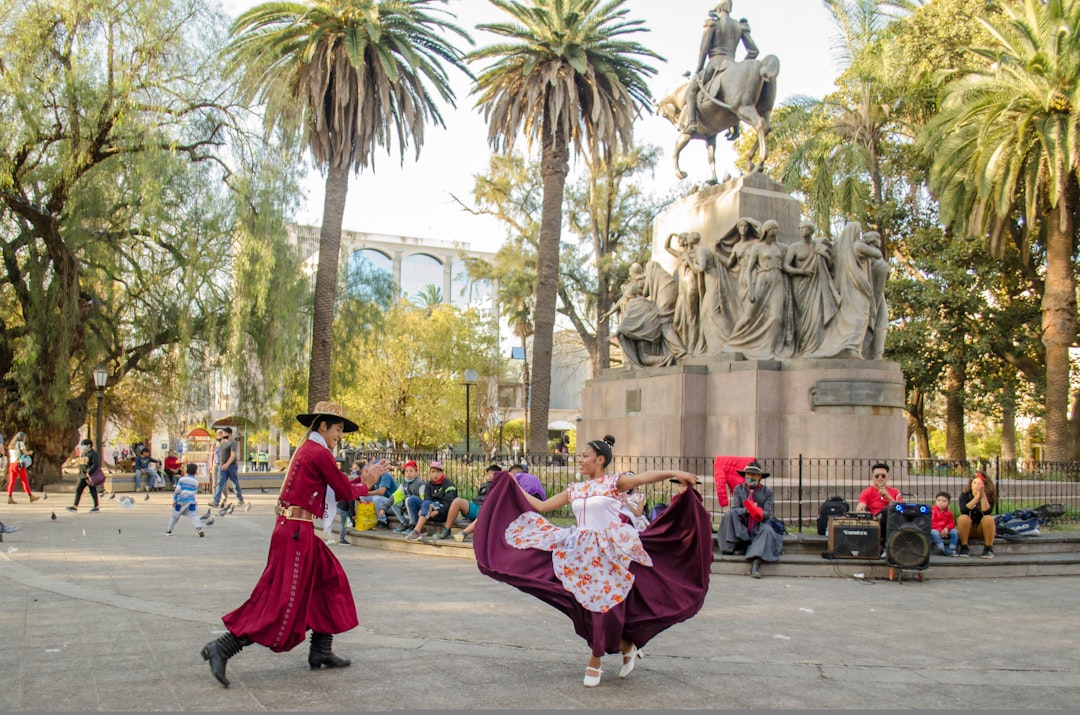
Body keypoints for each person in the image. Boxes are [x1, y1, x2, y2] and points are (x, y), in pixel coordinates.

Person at [474, 435, 712, 688]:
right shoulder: (576, 488)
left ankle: (595, 660)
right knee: (584, 607)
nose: (580, 460)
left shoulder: (614, 482)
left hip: (610, 552)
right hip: (580, 550)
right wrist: (511, 484)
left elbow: (645, 477)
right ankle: (625, 645)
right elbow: (541, 506)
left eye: (585, 456)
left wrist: (675, 472)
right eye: (579, 456)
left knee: (601, 605)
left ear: (600, 459)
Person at [201, 401, 389, 688]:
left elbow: (334, 484)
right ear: (323, 426)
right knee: (281, 601)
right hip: (296, 533)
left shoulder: (312, 450)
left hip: (295, 529)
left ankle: (321, 650)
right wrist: (367, 482)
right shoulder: (318, 452)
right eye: (338, 429)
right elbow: (342, 491)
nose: (340, 435)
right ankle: (224, 647)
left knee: (331, 579)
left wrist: (360, 481)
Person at [683, 0, 759, 135]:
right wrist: (740, 67)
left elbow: (704, 49)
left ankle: (692, 123)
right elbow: (754, 51)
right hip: (732, 64)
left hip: (714, 64)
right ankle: (735, 128)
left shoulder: (713, 23)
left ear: (718, 9)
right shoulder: (739, 26)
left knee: (690, 91)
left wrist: (698, 69)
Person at [716, 461, 782, 577]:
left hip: (759, 524)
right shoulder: (739, 489)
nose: (750, 477)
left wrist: (757, 511)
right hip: (743, 522)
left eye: (753, 475)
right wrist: (747, 510)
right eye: (748, 475)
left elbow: (768, 513)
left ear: (759, 477)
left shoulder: (767, 492)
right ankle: (738, 545)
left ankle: (756, 563)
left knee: (767, 530)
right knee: (730, 514)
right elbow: (736, 508)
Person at [438, 464, 498, 541]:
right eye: (488, 474)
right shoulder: (484, 485)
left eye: (492, 474)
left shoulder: (500, 486)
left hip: (486, 511)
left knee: (485, 511)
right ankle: (446, 529)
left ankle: (463, 533)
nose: (490, 476)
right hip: (476, 507)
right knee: (457, 501)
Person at [405, 461, 458, 541]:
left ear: (442, 473)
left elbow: (450, 504)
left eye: (438, 472)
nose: (435, 474)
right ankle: (419, 527)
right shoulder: (428, 484)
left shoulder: (449, 485)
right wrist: (422, 509)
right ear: (429, 473)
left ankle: (416, 531)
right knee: (412, 499)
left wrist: (438, 512)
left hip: (443, 513)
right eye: (433, 472)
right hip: (429, 511)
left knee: (427, 504)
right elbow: (427, 499)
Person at [854, 462, 900, 554]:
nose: (880, 478)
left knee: (887, 510)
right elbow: (859, 507)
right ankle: (885, 546)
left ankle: (888, 547)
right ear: (872, 478)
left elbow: (900, 509)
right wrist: (862, 509)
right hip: (876, 518)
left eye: (883, 475)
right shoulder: (867, 492)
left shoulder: (895, 492)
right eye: (877, 475)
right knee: (885, 511)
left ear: (888, 477)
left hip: (894, 518)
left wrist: (889, 497)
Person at [957, 472, 997, 559]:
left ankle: (988, 548)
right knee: (962, 518)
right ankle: (964, 547)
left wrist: (982, 496)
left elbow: (987, 512)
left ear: (984, 485)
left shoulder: (989, 497)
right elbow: (964, 510)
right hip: (968, 529)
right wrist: (976, 498)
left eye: (979, 483)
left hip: (981, 529)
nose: (976, 485)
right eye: (974, 483)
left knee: (988, 519)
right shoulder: (964, 496)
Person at [166, 463, 204, 537]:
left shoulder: (182, 479)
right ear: (196, 472)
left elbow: (178, 489)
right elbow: (195, 491)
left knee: (174, 516)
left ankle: (169, 530)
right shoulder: (196, 482)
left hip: (180, 501)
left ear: (186, 471)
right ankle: (199, 528)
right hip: (191, 501)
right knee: (194, 515)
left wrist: (175, 499)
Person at [210, 427, 243, 508]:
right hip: (222, 466)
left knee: (235, 483)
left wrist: (227, 464)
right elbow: (216, 447)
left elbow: (233, 455)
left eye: (224, 433)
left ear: (229, 434)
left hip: (231, 466)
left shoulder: (232, 443)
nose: (223, 435)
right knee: (220, 483)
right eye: (222, 433)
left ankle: (240, 499)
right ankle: (216, 501)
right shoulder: (222, 442)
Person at [66, 438, 101, 513]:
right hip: (82, 475)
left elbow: (95, 465)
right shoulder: (84, 453)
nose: (83, 447)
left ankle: (96, 506)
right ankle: (75, 506)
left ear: (89, 445)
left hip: (89, 476)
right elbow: (81, 461)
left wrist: (89, 471)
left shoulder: (93, 454)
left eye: (84, 445)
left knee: (92, 491)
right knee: (78, 490)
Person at [360, 464, 397, 531]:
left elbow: (381, 492)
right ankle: (366, 519)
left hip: (393, 506)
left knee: (377, 498)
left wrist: (366, 493)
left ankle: (382, 521)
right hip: (384, 504)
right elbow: (367, 488)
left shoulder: (386, 475)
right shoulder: (375, 477)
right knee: (362, 497)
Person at [392, 460, 426, 533]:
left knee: (409, 499)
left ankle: (413, 524)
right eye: (407, 471)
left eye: (411, 471)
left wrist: (423, 509)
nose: (408, 473)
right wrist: (384, 506)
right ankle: (404, 523)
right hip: (407, 505)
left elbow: (424, 499)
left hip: (419, 507)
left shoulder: (420, 483)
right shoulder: (403, 484)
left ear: (416, 473)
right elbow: (395, 495)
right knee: (394, 502)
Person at [6, 432, 39, 504]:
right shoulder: (20, 443)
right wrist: (30, 452)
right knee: (25, 481)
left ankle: (10, 497)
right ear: (21, 438)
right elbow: (25, 453)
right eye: (24, 438)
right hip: (19, 465)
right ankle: (30, 496)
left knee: (11, 482)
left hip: (12, 465)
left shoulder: (10, 446)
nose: (24, 439)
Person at [931, 491, 958, 557]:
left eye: (944, 501)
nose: (941, 502)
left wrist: (947, 528)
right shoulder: (933, 511)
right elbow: (932, 523)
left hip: (946, 531)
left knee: (954, 531)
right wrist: (941, 530)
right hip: (937, 530)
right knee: (933, 532)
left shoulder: (949, 513)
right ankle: (942, 548)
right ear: (935, 501)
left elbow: (951, 523)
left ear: (948, 503)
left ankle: (952, 548)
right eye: (939, 500)